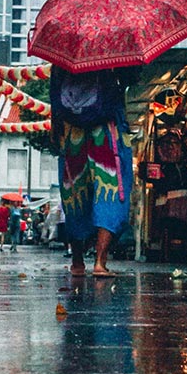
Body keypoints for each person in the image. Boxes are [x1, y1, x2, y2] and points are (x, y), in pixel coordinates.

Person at [51, 65, 138, 279]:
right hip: (108, 135)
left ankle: (77, 261)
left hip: (73, 136)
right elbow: (131, 79)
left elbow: (55, 99)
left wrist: (56, 131)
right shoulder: (114, 55)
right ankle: (100, 262)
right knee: (110, 193)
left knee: (75, 196)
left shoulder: (63, 58)